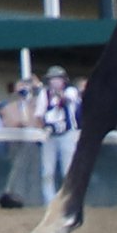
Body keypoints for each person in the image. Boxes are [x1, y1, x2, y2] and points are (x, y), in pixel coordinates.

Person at [36, 65, 80, 204]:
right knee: (47, 171)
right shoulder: (44, 94)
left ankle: (68, 201)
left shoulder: (71, 91)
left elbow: (68, 100)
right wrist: (44, 129)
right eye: (52, 79)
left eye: (57, 79)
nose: (54, 82)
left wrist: (58, 93)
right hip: (51, 136)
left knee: (68, 171)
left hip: (67, 134)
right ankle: (49, 202)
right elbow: (39, 114)